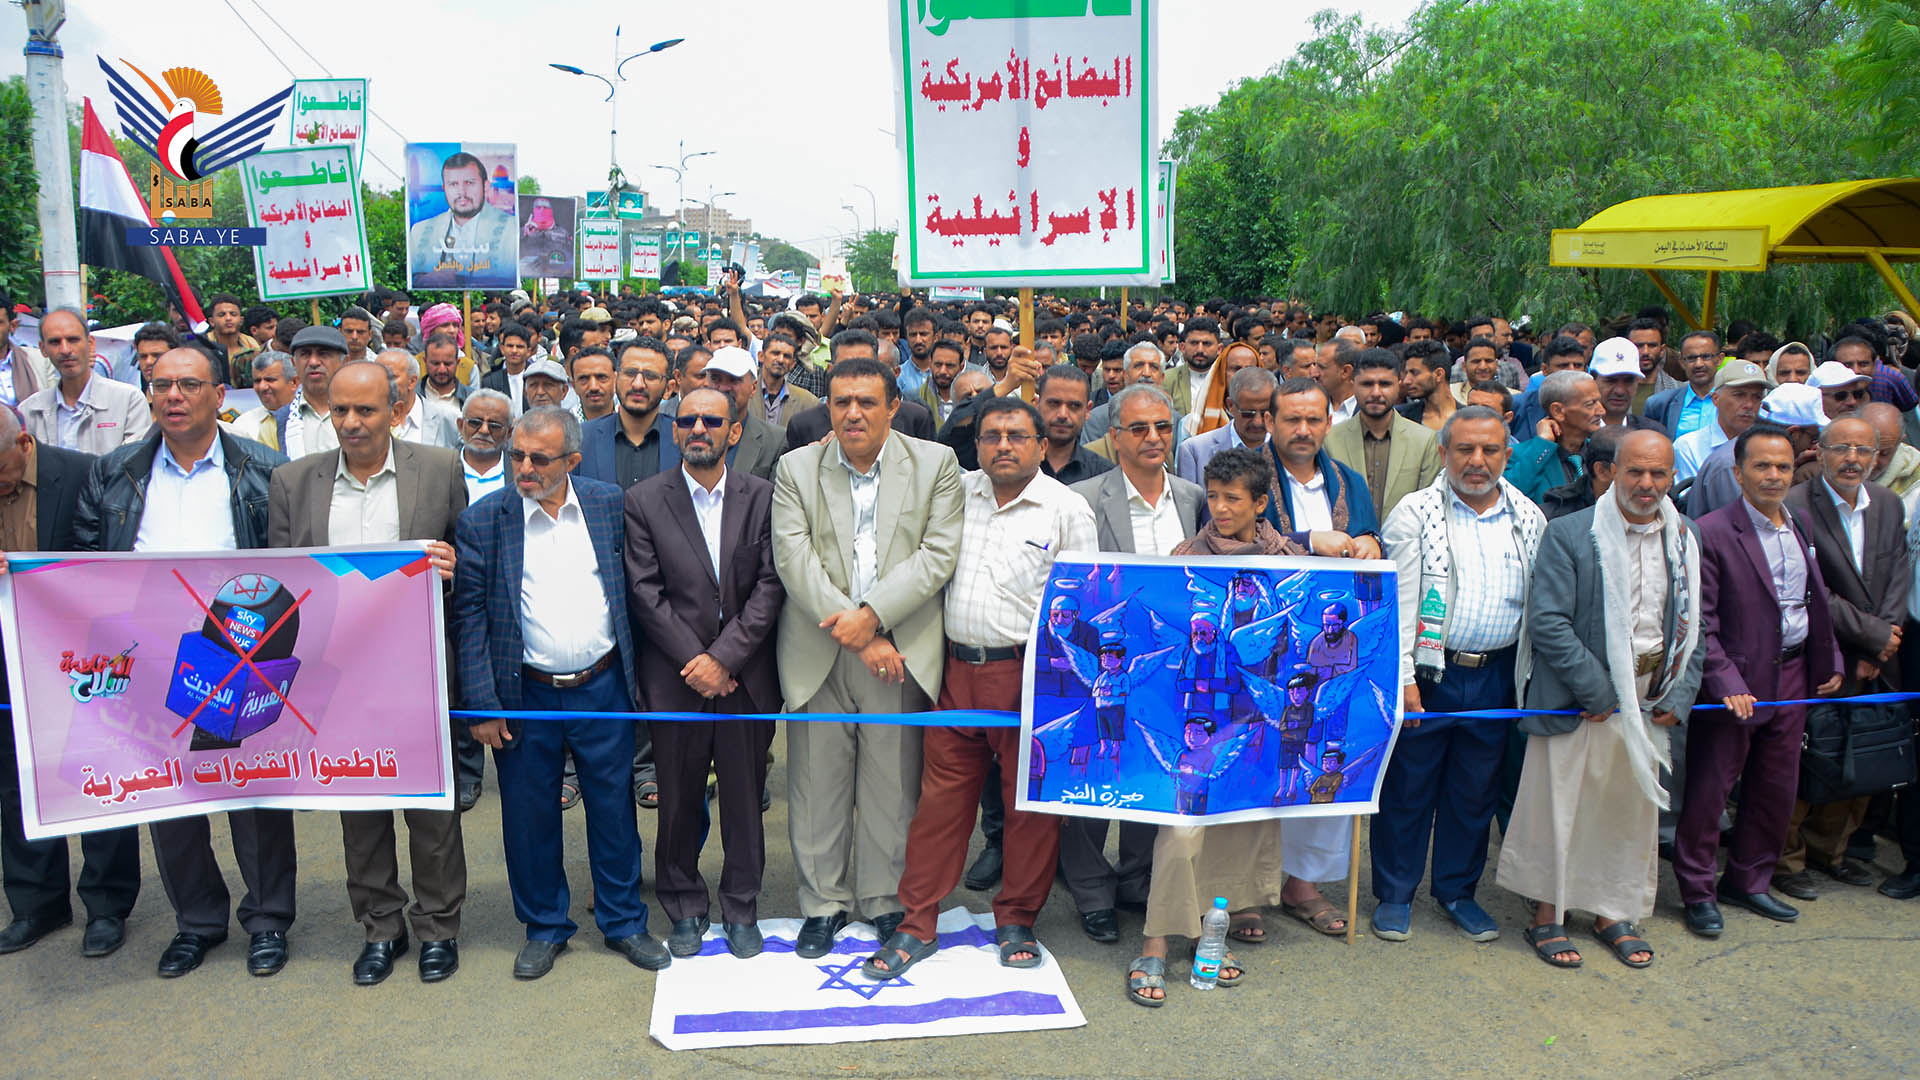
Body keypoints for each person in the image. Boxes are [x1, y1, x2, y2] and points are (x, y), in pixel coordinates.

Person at [73, 347, 295, 979]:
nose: (173, 395)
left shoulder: (265, 470)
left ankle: (268, 920)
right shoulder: (114, 472)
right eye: (162, 384)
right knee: (169, 797)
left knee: (253, 792)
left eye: (188, 384)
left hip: (240, 652)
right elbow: (78, 565)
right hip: (146, 656)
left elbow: (294, 560)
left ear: (219, 396)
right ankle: (196, 922)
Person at [867, 398, 1092, 981]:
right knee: (940, 806)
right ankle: (918, 921)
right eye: (992, 436)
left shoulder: (1067, 509)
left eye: (1017, 435)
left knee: (1027, 810)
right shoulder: (956, 493)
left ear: (1041, 445)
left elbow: (1085, 604)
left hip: (1030, 677)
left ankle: (1016, 919)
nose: (1003, 446)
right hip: (955, 672)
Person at [451, 407, 668, 978]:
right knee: (529, 817)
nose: (523, 467)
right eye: (517, 455)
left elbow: (635, 590)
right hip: (524, 694)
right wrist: (482, 705)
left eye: (539, 459)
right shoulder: (484, 520)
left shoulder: (608, 505)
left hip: (604, 687)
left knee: (614, 810)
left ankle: (624, 921)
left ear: (571, 460)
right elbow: (469, 617)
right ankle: (545, 926)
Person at [268, 361, 466, 985]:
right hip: (332, 676)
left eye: (366, 410)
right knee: (358, 805)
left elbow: (469, 562)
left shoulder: (439, 470)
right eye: (340, 410)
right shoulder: (292, 482)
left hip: (417, 669)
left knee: (431, 808)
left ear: (396, 411)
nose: (351, 423)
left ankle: (438, 926)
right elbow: (280, 585)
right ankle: (380, 926)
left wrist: (452, 568)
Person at [771, 355, 963, 960]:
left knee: (892, 786)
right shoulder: (796, 468)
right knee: (815, 785)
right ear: (828, 407)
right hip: (820, 648)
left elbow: (937, 555)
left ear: (893, 407)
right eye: (841, 402)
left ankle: (884, 901)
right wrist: (858, 630)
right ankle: (822, 904)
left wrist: (873, 616)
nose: (852, 413)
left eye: (866, 402)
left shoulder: (936, 464)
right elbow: (794, 559)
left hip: (898, 653)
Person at [1498, 430, 1705, 970]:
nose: (1646, 483)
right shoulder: (1572, 533)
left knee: (1626, 812)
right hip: (1581, 699)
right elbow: (1548, 622)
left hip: (1651, 698)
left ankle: (1614, 912)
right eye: (1635, 471)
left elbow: (1696, 624)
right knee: (1560, 809)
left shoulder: (1685, 537)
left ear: (1671, 477)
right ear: (1611, 472)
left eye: (1658, 473)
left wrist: (1680, 692)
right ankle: (1548, 914)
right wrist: (1602, 693)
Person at [1127, 447, 1295, 1007]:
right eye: (1214, 497)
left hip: (1250, 716)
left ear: (1260, 503)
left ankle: (1209, 935)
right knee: (1182, 827)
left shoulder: (1288, 561)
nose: (1220, 509)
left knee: (1233, 825)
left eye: (1232, 499)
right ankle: (1155, 940)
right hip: (1193, 718)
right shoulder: (1185, 558)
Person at [625, 386, 784, 960]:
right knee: (678, 801)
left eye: (712, 421)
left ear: (733, 432)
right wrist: (698, 662)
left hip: (745, 680)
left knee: (744, 799)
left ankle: (741, 906)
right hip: (677, 679)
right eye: (688, 419)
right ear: (675, 431)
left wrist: (726, 659)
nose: (698, 428)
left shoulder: (763, 497)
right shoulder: (644, 500)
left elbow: (771, 584)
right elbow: (645, 592)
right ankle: (684, 904)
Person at [1375, 406, 1544, 944]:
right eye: (1465, 449)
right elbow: (1398, 605)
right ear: (1443, 452)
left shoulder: (1528, 516)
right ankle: (1395, 894)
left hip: (1496, 675)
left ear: (1507, 455)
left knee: (1474, 792)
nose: (1477, 461)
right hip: (1429, 675)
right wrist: (1404, 680)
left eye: (1490, 450)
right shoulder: (1415, 513)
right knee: (1409, 788)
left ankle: (1456, 892)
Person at [1679, 424, 1845, 938]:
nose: (1774, 475)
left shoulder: (1799, 523)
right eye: (1762, 466)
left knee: (1776, 787)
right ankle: (1697, 891)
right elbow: (1701, 622)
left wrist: (1831, 658)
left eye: (1783, 466)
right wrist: (1724, 680)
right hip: (1736, 685)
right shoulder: (1710, 531)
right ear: (1738, 473)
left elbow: (1813, 600)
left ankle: (1748, 881)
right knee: (1711, 791)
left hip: (1792, 676)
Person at [1065, 384, 1205, 943]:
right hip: (1104, 663)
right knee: (1094, 774)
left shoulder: (1194, 498)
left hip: (1170, 668)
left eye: (1163, 427)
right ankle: (1090, 891)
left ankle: (1136, 880)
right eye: (1140, 428)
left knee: (1152, 769)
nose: (1153, 438)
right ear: (1114, 437)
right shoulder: (1081, 497)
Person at [0, 411, 140, 958]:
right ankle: (36, 903)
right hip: (10, 656)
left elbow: (111, 559)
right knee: (16, 779)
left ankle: (106, 905)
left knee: (97, 770)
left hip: (84, 656)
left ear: (24, 443)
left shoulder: (84, 474)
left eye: (1, 471)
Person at [1776, 416, 1909, 897]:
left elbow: (1898, 573)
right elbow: (1810, 588)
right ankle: (1786, 863)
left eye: (1863, 450)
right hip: (1820, 653)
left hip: (1878, 656)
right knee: (1806, 760)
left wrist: (1883, 641)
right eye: (1842, 448)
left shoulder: (1887, 504)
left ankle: (1830, 852)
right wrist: (1873, 636)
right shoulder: (1794, 505)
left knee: (1860, 756)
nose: (1853, 459)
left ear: (1877, 457)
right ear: (1821, 451)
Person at [1326, 348, 1441, 521]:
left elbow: (1428, 508)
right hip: (1347, 537)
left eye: (1385, 384)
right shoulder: (1330, 440)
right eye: (1367, 384)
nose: (1376, 393)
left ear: (1399, 384)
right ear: (1353, 384)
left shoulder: (1424, 441)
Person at [19, 310, 150, 454]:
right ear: (43, 349)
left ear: (90, 343)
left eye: (73, 340)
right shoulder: (30, 410)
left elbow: (134, 460)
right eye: (55, 342)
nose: (65, 350)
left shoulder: (128, 400)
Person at [1687, 383, 1826, 518]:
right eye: (1814, 438)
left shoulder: (1747, 451)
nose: (1815, 447)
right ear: (1793, 434)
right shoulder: (1731, 464)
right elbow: (1750, 524)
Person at [783, 331, 938, 452]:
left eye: (865, 366)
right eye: (846, 366)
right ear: (830, 370)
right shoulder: (803, 424)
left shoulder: (915, 417)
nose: (856, 375)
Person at [407, 151, 517, 287]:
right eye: (453, 184)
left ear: (485, 186)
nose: (462, 193)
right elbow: (412, 278)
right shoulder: (419, 231)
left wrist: (459, 280)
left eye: (469, 183)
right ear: (444, 188)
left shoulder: (512, 230)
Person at [1505, 371, 1601, 505]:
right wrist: (1542, 444)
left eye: (1599, 402)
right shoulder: (1517, 456)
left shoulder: (1604, 452)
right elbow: (1508, 498)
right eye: (1590, 404)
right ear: (1558, 411)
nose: (1601, 411)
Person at [1673, 360, 1771, 483]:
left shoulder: (1769, 447)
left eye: (1757, 397)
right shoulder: (1689, 447)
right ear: (1716, 399)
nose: (1749, 404)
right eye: (1739, 395)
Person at [1176, 366, 1275, 484]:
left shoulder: (1286, 448)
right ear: (1230, 406)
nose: (1257, 422)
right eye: (1248, 414)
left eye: (1265, 413)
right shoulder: (1194, 451)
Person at [1033, 365, 1112, 486]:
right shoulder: (1016, 466)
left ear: (1087, 410)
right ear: (1037, 405)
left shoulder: (1105, 475)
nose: (1062, 415)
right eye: (1054, 403)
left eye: (1074, 406)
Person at [283, 325, 351, 458]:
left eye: (323, 354)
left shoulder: (366, 414)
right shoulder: (279, 422)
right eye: (305, 354)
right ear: (293, 363)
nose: (313, 362)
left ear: (345, 362)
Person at [1643, 331, 1725, 437]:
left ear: (1719, 359)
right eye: (1691, 358)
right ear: (1682, 362)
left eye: (1706, 356)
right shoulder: (1660, 404)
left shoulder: (1735, 401)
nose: (1698, 364)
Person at [374, 350, 461, 450]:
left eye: (391, 377)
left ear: (412, 381)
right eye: (377, 376)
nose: (381, 382)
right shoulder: (365, 418)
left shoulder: (449, 420)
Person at [1586, 337, 1669, 436]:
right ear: (1592, 380)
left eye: (1628, 381)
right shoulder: (1578, 434)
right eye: (1611, 381)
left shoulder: (1653, 434)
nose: (1620, 391)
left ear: (1637, 382)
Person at [236, 352, 295, 451]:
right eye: (257, 381)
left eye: (270, 380)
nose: (262, 387)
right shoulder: (243, 425)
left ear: (294, 382)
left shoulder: (309, 419)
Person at [756, 332, 818, 428]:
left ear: (793, 364)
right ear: (761, 356)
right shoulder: (744, 393)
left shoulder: (808, 402)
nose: (781, 360)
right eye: (775, 353)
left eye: (787, 356)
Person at [1165, 316, 1222, 416]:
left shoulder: (1228, 380)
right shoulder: (1167, 380)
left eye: (1206, 344)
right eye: (1194, 343)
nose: (1200, 349)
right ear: (1182, 347)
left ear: (1219, 349)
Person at [479, 323, 534, 415]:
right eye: (510, 346)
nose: (514, 351)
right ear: (502, 348)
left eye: (519, 347)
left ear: (528, 351)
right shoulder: (490, 381)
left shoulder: (536, 378)